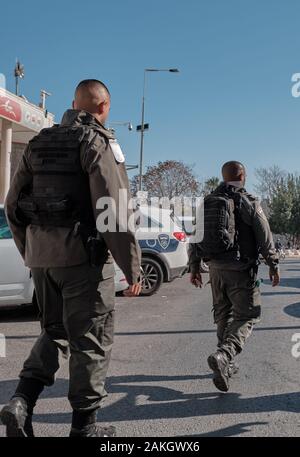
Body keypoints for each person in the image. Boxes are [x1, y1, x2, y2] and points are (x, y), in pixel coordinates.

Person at [0, 79, 141, 437]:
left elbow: (13, 206)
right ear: (104, 107)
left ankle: (21, 401)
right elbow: (112, 210)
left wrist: (31, 250)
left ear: (72, 103)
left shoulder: (37, 142)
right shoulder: (97, 143)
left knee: (54, 330)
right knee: (90, 339)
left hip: (41, 259)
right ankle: (84, 428)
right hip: (82, 259)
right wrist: (132, 267)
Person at [189, 161, 280, 392]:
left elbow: (194, 236)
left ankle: (225, 364)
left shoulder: (207, 202)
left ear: (223, 176)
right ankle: (224, 355)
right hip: (241, 270)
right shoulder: (249, 201)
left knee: (223, 316)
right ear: (242, 176)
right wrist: (273, 264)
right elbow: (264, 236)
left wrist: (194, 267)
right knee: (248, 316)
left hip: (216, 270)